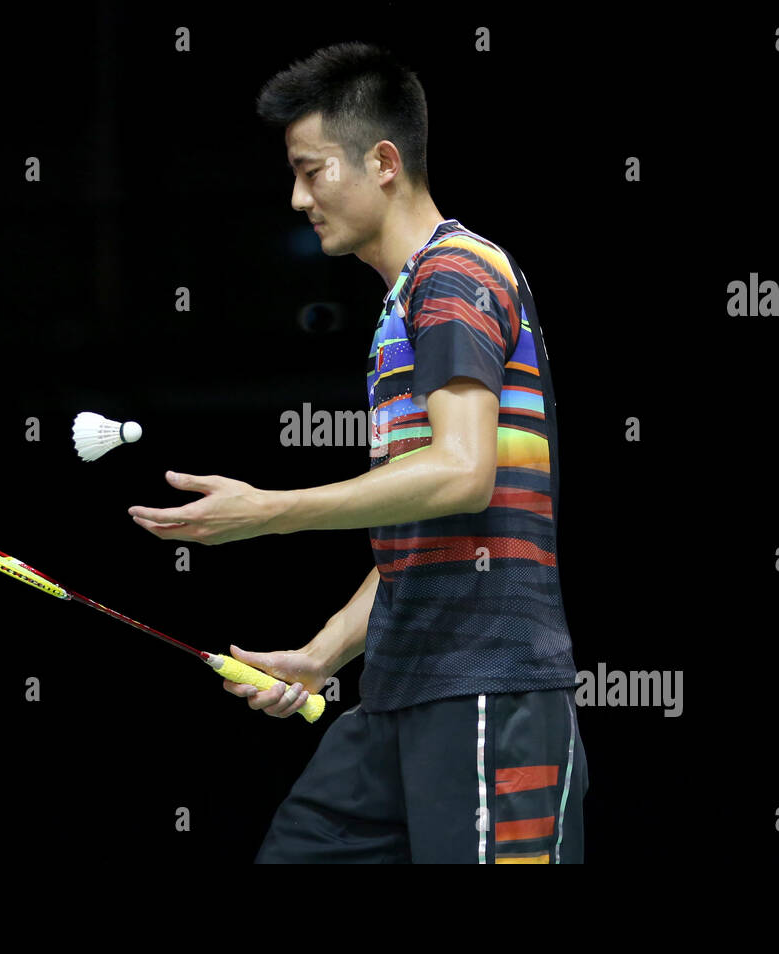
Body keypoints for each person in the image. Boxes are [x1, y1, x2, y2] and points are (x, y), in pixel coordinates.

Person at [127, 42, 587, 863]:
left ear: (382, 162)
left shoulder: (456, 274)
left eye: (312, 171)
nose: (297, 197)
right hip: (400, 697)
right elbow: (426, 530)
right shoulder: (400, 308)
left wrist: (271, 513)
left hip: (489, 691)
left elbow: (462, 472)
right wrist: (322, 654)